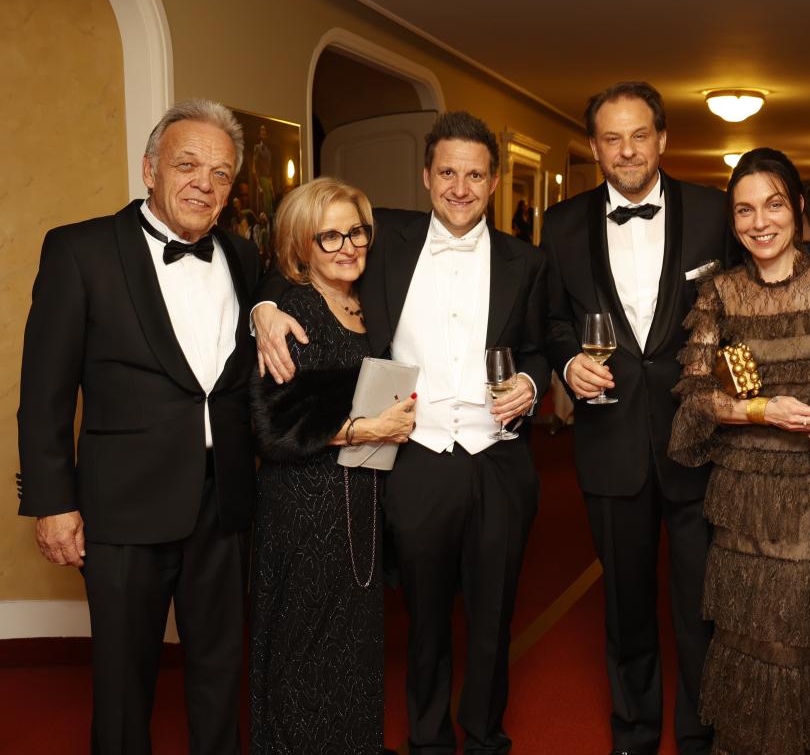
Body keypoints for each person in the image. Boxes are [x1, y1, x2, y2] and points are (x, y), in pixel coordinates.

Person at [254, 111, 548, 755]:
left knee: (494, 614)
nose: (460, 188)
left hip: (497, 458)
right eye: (448, 172)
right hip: (415, 456)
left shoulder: (527, 261)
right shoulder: (382, 238)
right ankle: (428, 739)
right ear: (426, 176)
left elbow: (539, 346)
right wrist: (265, 306)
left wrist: (531, 382)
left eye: (475, 175)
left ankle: (485, 735)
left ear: (495, 181)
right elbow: (302, 250)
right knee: (424, 616)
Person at [17, 99, 260, 754]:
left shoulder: (243, 257)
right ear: (150, 169)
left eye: (221, 173)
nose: (204, 184)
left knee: (220, 675)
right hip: (121, 508)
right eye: (187, 165)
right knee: (124, 686)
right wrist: (53, 503)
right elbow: (43, 392)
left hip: (224, 502)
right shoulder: (80, 250)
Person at [541, 80, 732, 755]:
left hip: (701, 440)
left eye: (639, 135)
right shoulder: (561, 225)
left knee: (703, 607)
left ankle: (702, 735)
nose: (627, 150)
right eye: (612, 138)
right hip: (610, 442)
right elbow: (553, 321)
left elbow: (746, 308)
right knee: (625, 609)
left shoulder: (714, 211)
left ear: (663, 139)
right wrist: (568, 363)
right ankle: (633, 734)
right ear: (594, 147)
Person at [668, 148, 810, 754]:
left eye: (774, 205)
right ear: (732, 220)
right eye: (745, 210)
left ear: (798, 207)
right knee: (752, 635)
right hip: (744, 497)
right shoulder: (720, 293)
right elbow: (695, 400)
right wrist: (764, 410)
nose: (760, 222)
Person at [248, 177, 415, 753]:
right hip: (304, 508)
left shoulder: (370, 302)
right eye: (330, 237)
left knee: (356, 644)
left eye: (357, 232)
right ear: (302, 246)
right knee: (304, 647)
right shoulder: (294, 313)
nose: (348, 246)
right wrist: (366, 430)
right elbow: (272, 426)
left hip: (360, 500)